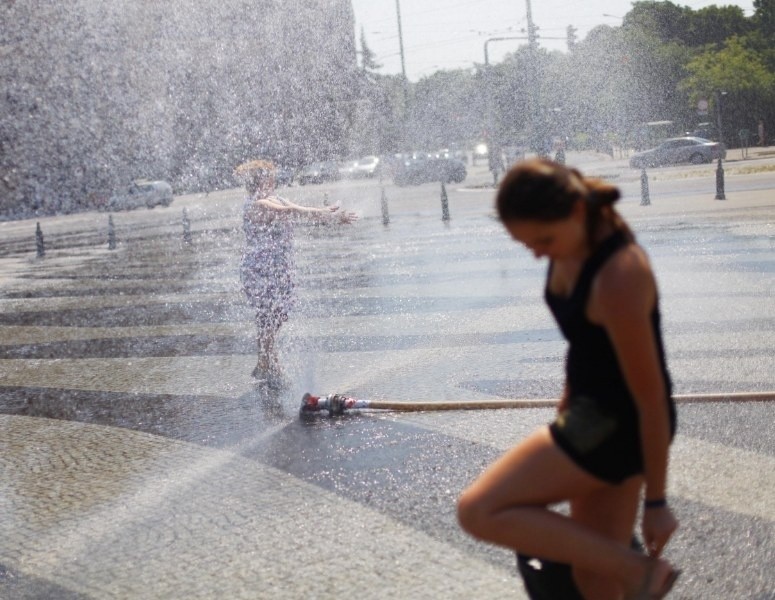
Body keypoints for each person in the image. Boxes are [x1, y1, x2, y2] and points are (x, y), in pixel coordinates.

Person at [457, 158, 680, 600]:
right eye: (526, 246)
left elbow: (652, 399)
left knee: (478, 510)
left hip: (615, 427)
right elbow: (586, 344)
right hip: (593, 414)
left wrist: (657, 502)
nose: (539, 253)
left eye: (543, 240)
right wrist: (565, 398)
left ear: (576, 212)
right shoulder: (571, 243)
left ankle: (639, 571)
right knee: (593, 581)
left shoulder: (619, 275)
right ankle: (631, 571)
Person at [234, 159, 357, 388]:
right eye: (269, 176)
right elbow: (291, 212)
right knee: (268, 316)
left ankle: (264, 362)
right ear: (261, 180)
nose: (273, 179)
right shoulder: (256, 204)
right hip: (260, 270)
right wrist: (323, 212)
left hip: (280, 267)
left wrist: (329, 217)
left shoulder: (276, 198)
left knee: (279, 314)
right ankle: (269, 364)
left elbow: (298, 210)